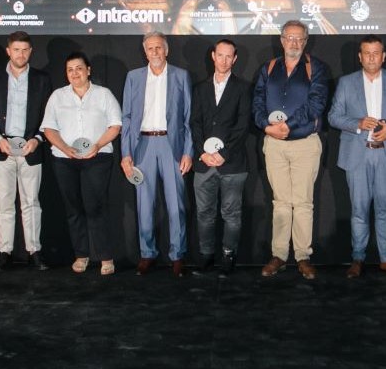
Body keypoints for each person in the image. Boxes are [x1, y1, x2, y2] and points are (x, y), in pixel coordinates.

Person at [330, 35, 386, 279]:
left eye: (375, 53)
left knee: (385, 208)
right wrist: (357, 123)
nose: (371, 58)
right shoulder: (346, 83)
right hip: (358, 155)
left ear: (383, 56)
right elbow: (333, 117)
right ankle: (358, 258)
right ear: (359, 57)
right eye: (366, 53)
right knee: (359, 210)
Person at [252, 20, 330, 280]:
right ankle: (279, 255)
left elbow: (316, 103)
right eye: (290, 37)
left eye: (299, 38)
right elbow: (257, 102)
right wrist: (266, 127)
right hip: (274, 144)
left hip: (305, 143)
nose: (294, 43)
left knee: (303, 202)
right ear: (282, 40)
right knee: (281, 202)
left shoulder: (316, 68)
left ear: (305, 42)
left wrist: (288, 125)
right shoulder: (268, 68)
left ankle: (303, 256)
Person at [0, 30, 52, 272]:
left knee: (31, 203)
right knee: (4, 203)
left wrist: (38, 139)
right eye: (16, 50)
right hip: (3, 148)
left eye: (25, 50)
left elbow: (50, 115)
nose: (21, 54)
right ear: (8, 51)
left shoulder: (42, 79)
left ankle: (34, 251)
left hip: (31, 148)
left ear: (31, 51)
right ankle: (4, 252)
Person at [41, 52, 122, 276]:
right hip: (64, 160)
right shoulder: (58, 96)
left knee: (95, 206)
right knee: (73, 208)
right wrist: (64, 148)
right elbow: (49, 128)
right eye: (70, 70)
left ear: (88, 70)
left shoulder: (103, 94)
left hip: (97, 158)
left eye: (79, 68)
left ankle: (105, 256)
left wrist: (97, 145)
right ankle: (81, 255)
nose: (75, 73)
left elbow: (115, 125)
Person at [120, 32, 193, 276]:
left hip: (172, 145)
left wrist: (188, 151)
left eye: (159, 47)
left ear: (166, 50)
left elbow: (187, 118)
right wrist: (126, 152)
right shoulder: (133, 77)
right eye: (150, 48)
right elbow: (126, 118)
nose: (155, 52)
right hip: (143, 145)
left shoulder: (181, 76)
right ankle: (147, 253)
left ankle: (177, 255)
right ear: (145, 52)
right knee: (144, 204)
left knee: (176, 205)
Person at [190, 39, 251, 276]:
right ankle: (206, 256)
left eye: (229, 56)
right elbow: (194, 123)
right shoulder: (200, 88)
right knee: (204, 213)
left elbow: (243, 126)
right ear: (213, 56)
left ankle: (228, 256)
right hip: (203, 163)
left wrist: (223, 154)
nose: (224, 61)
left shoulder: (243, 88)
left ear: (234, 59)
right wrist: (202, 153)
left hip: (232, 164)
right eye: (220, 55)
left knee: (231, 214)